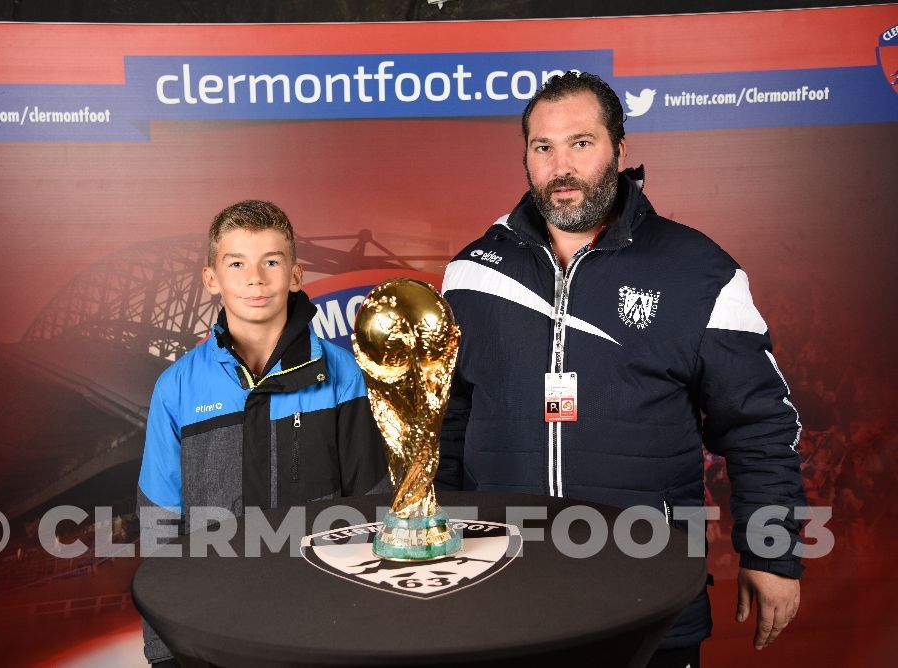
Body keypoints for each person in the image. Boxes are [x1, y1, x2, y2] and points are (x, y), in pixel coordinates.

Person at [438, 72, 805, 667]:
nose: (561, 166)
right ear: (526, 158)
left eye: (581, 143)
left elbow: (759, 424)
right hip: (500, 596)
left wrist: (772, 553)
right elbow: (450, 419)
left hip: (646, 596)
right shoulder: (472, 274)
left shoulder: (699, 271)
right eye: (543, 147)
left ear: (620, 150)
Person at [137, 200, 389, 665]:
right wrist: (164, 647)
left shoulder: (342, 375)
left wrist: (371, 622)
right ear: (211, 279)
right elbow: (159, 519)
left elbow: (372, 503)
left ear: (296, 275)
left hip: (324, 621)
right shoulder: (176, 388)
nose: (255, 278)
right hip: (212, 623)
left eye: (271, 261)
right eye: (237, 263)